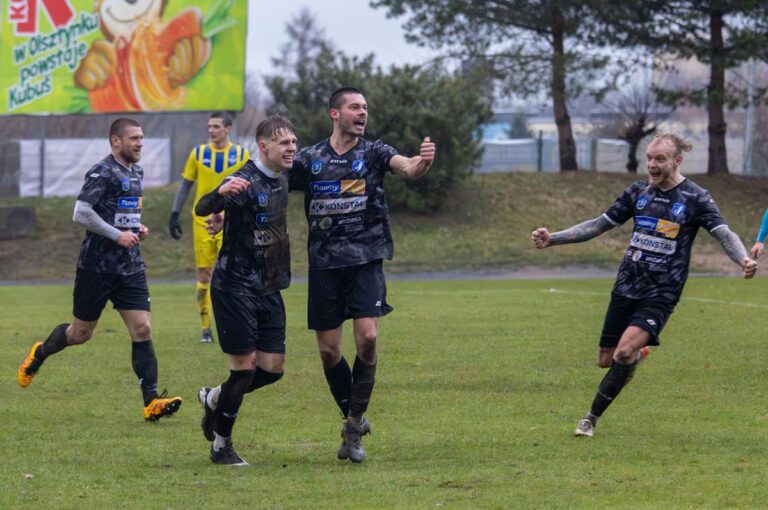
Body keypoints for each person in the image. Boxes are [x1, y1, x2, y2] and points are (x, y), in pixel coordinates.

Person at [531, 133, 757, 437]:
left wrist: (743, 259)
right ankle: (639, 355)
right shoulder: (638, 192)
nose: (651, 164)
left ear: (677, 161)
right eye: (649, 158)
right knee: (605, 360)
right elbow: (598, 225)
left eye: (659, 159)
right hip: (626, 285)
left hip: (662, 292)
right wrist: (553, 238)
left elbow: (724, 233)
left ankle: (589, 419)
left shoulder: (695, 198)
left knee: (622, 353)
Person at [289, 87, 437, 463]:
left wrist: (422, 162)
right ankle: (352, 416)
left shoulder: (374, 152)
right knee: (329, 351)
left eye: (365, 108)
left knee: (368, 337)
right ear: (334, 113)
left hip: (365, 259)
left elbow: (407, 167)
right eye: (354, 107)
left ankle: (353, 426)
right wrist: (225, 208)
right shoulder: (310, 159)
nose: (362, 113)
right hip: (324, 265)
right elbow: (270, 182)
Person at [17, 118, 183, 422]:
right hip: (96, 267)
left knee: (142, 329)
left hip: (130, 266)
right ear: (116, 141)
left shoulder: (136, 172)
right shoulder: (101, 171)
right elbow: (81, 212)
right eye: (134, 138)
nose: (140, 143)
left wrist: (136, 227)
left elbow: (121, 212)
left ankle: (151, 402)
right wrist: (117, 235)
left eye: (142, 138)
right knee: (79, 334)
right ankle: (39, 353)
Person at [193, 115, 296, 466]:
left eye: (294, 142)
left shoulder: (285, 175)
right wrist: (219, 197)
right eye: (284, 143)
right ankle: (221, 446)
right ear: (264, 146)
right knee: (244, 370)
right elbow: (202, 208)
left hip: (269, 286)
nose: (292, 148)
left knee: (273, 369)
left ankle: (214, 398)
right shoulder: (242, 180)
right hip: (234, 286)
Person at [168, 112, 251, 343]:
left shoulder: (242, 155)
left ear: (228, 128)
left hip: (231, 222)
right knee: (204, 273)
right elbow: (185, 186)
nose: (211, 130)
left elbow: (249, 188)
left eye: (216, 126)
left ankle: (235, 323)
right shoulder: (198, 153)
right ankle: (205, 328)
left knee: (234, 273)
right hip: (202, 223)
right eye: (209, 127)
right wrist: (174, 213)